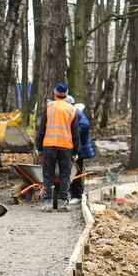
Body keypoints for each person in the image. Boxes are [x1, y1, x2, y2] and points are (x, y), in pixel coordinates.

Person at [34, 83, 80, 211]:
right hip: (66, 147)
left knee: (48, 174)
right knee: (65, 174)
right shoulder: (72, 109)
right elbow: (75, 133)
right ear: (66, 96)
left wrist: (38, 147)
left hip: (49, 146)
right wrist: (76, 151)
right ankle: (62, 203)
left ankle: (48, 203)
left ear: (55, 94)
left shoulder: (49, 107)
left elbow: (41, 129)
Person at [70, 98, 95, 201]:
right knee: (73, 169)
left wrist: (75, 134)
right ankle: (71, 193)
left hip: (78, 147)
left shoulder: (77, 113)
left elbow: (85, 125)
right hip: (73, 145)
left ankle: (76, 195)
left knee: (76, 169)